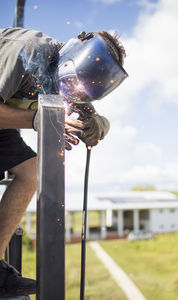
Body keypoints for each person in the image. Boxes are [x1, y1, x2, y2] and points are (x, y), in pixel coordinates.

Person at [0, 27, 127, 295]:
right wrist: (39, 120)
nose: (71, 93)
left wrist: (96, 126)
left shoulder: (72, 78)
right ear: (71, 58)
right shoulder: (27, 50)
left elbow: (93, 117)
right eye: (72, 85)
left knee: (31, 170)